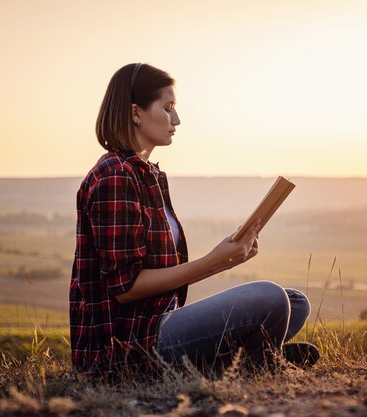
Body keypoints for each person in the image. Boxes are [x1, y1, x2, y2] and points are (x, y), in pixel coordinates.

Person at [69, 63, 319, 379]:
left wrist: (225, 260)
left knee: (294, 302)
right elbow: (125, 287)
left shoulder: (145, 174)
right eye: (168, 108)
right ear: (136, 112)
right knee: (269, 299)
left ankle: (228, 360)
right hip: (130, 347)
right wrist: (212, 261)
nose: (177, 120)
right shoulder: (116, 176)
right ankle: (251, 364)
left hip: (160, 323)